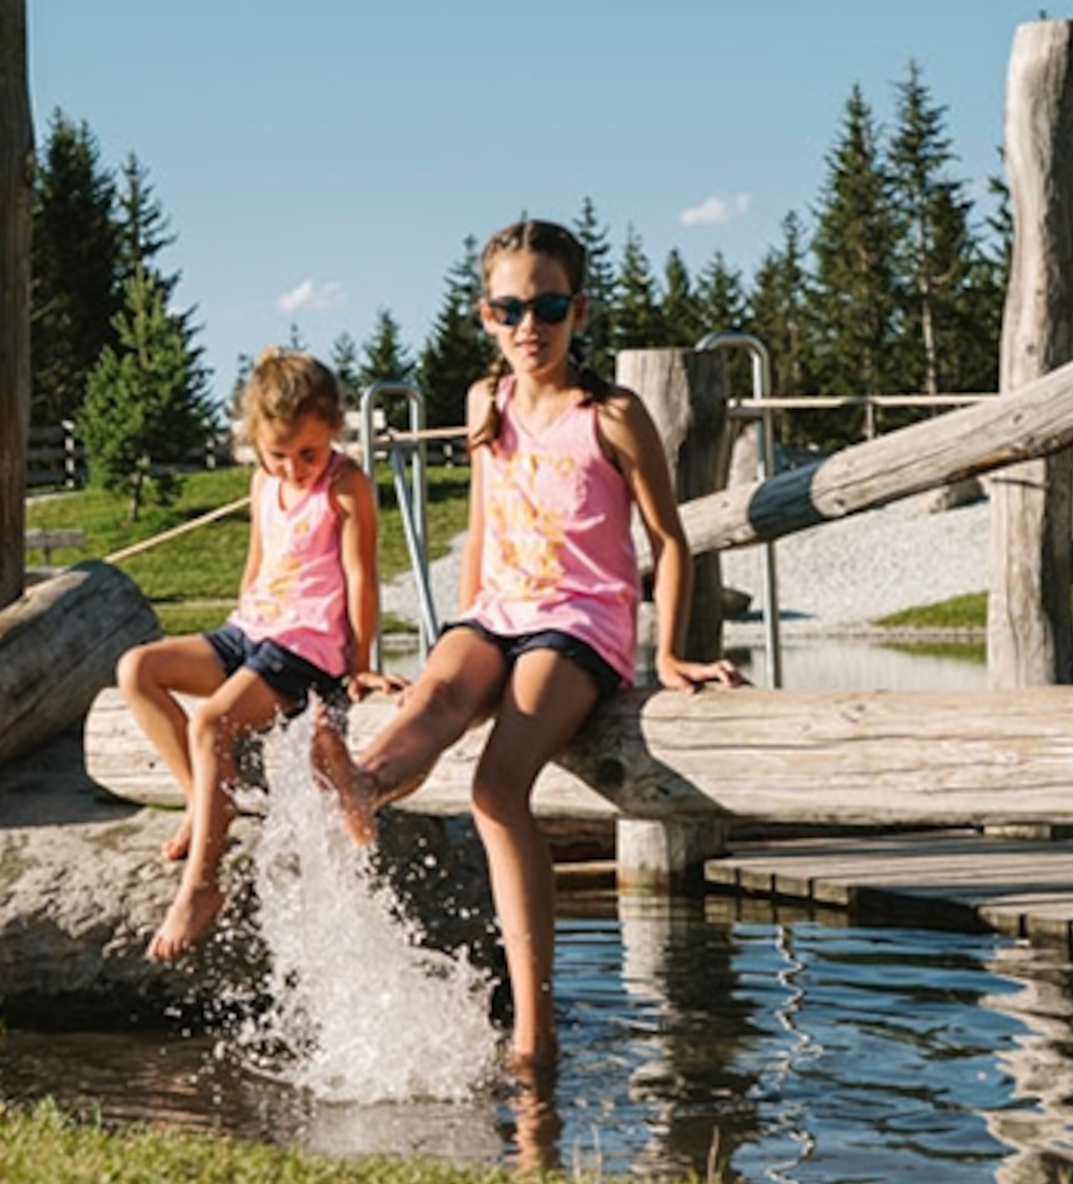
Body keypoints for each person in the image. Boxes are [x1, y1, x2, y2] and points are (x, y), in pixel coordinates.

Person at [327, 217, 742, 1087]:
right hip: (498, 610)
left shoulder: (613, 416)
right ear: (485, 315)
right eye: (509, 307)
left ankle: (534, 1027)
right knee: (437, 697)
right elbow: (482, 522)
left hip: (580, 624)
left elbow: (668, 540)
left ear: (579, 310)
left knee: (493, 786)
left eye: (547, 306)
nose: (529, 324)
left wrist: (665, 654)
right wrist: (461, 626)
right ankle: (363, 781)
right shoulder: (487, 403)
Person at [116, 348, 392, 961]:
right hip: (254, 631)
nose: (295, 468)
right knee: (138, 669)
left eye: (309, 454)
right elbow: (257, 561)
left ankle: (202, 885)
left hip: (307, 647)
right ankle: (206, 800)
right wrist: (239, 625)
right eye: (279, 455)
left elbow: (361, 576)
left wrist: (359, 662)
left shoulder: (346, 486)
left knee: (212, 720)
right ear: (256, 444)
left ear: (335, 432)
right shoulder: (264, 482)